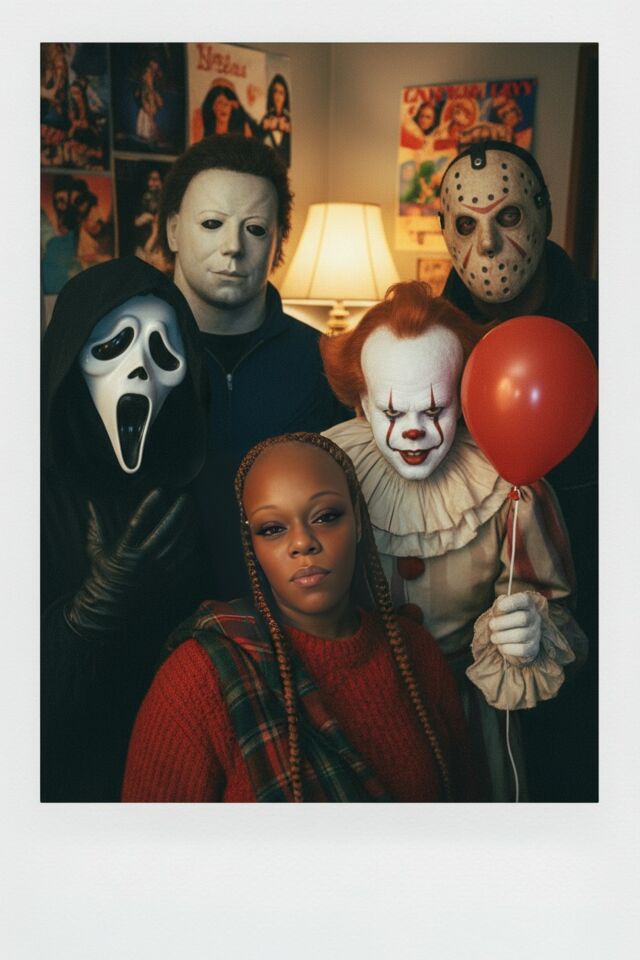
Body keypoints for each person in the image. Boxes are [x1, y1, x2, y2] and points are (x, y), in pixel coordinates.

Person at [321, 281, 588, 801]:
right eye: (392, 412)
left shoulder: (510, 481)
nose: (414, 431)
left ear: (466, 397)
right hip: (355, 721)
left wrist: (534, 630)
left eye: (434, 410)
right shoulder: (323, 469)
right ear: (361, 403)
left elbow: (562, 614)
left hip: (467, 724)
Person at [123, 433, 479, 802]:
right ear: (252, 545)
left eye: (326, 517)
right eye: (272, 529)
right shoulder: (201, 676)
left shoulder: (413, 652)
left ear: (358, 522)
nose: (302, 543)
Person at [438, 139, 598, 800]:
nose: (488, 244)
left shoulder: (608, 323)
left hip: (588, 648)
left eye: (507, 216)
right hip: (459, 650)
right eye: (465, 223)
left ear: (543, 213)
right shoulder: (427, 338)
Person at [41, 256, 210, 801]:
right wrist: (82, 618)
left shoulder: (184, 488)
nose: (139, 369)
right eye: (113, 344)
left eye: (163, 351)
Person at [159, 134, 349, 600]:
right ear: (173, 230)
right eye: (211, 223)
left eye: (256, 229)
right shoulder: (124, 357)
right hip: (155, 619)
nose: (233, 247)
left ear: (279, 241)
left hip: (290, 622)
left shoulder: (325, 362)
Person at [259, 73, 291, 165]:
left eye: (281, 93)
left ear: (285, 96)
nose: (278, 96)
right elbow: (258, 141)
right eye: (275, 91)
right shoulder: (266, 119)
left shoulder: (289, 121)